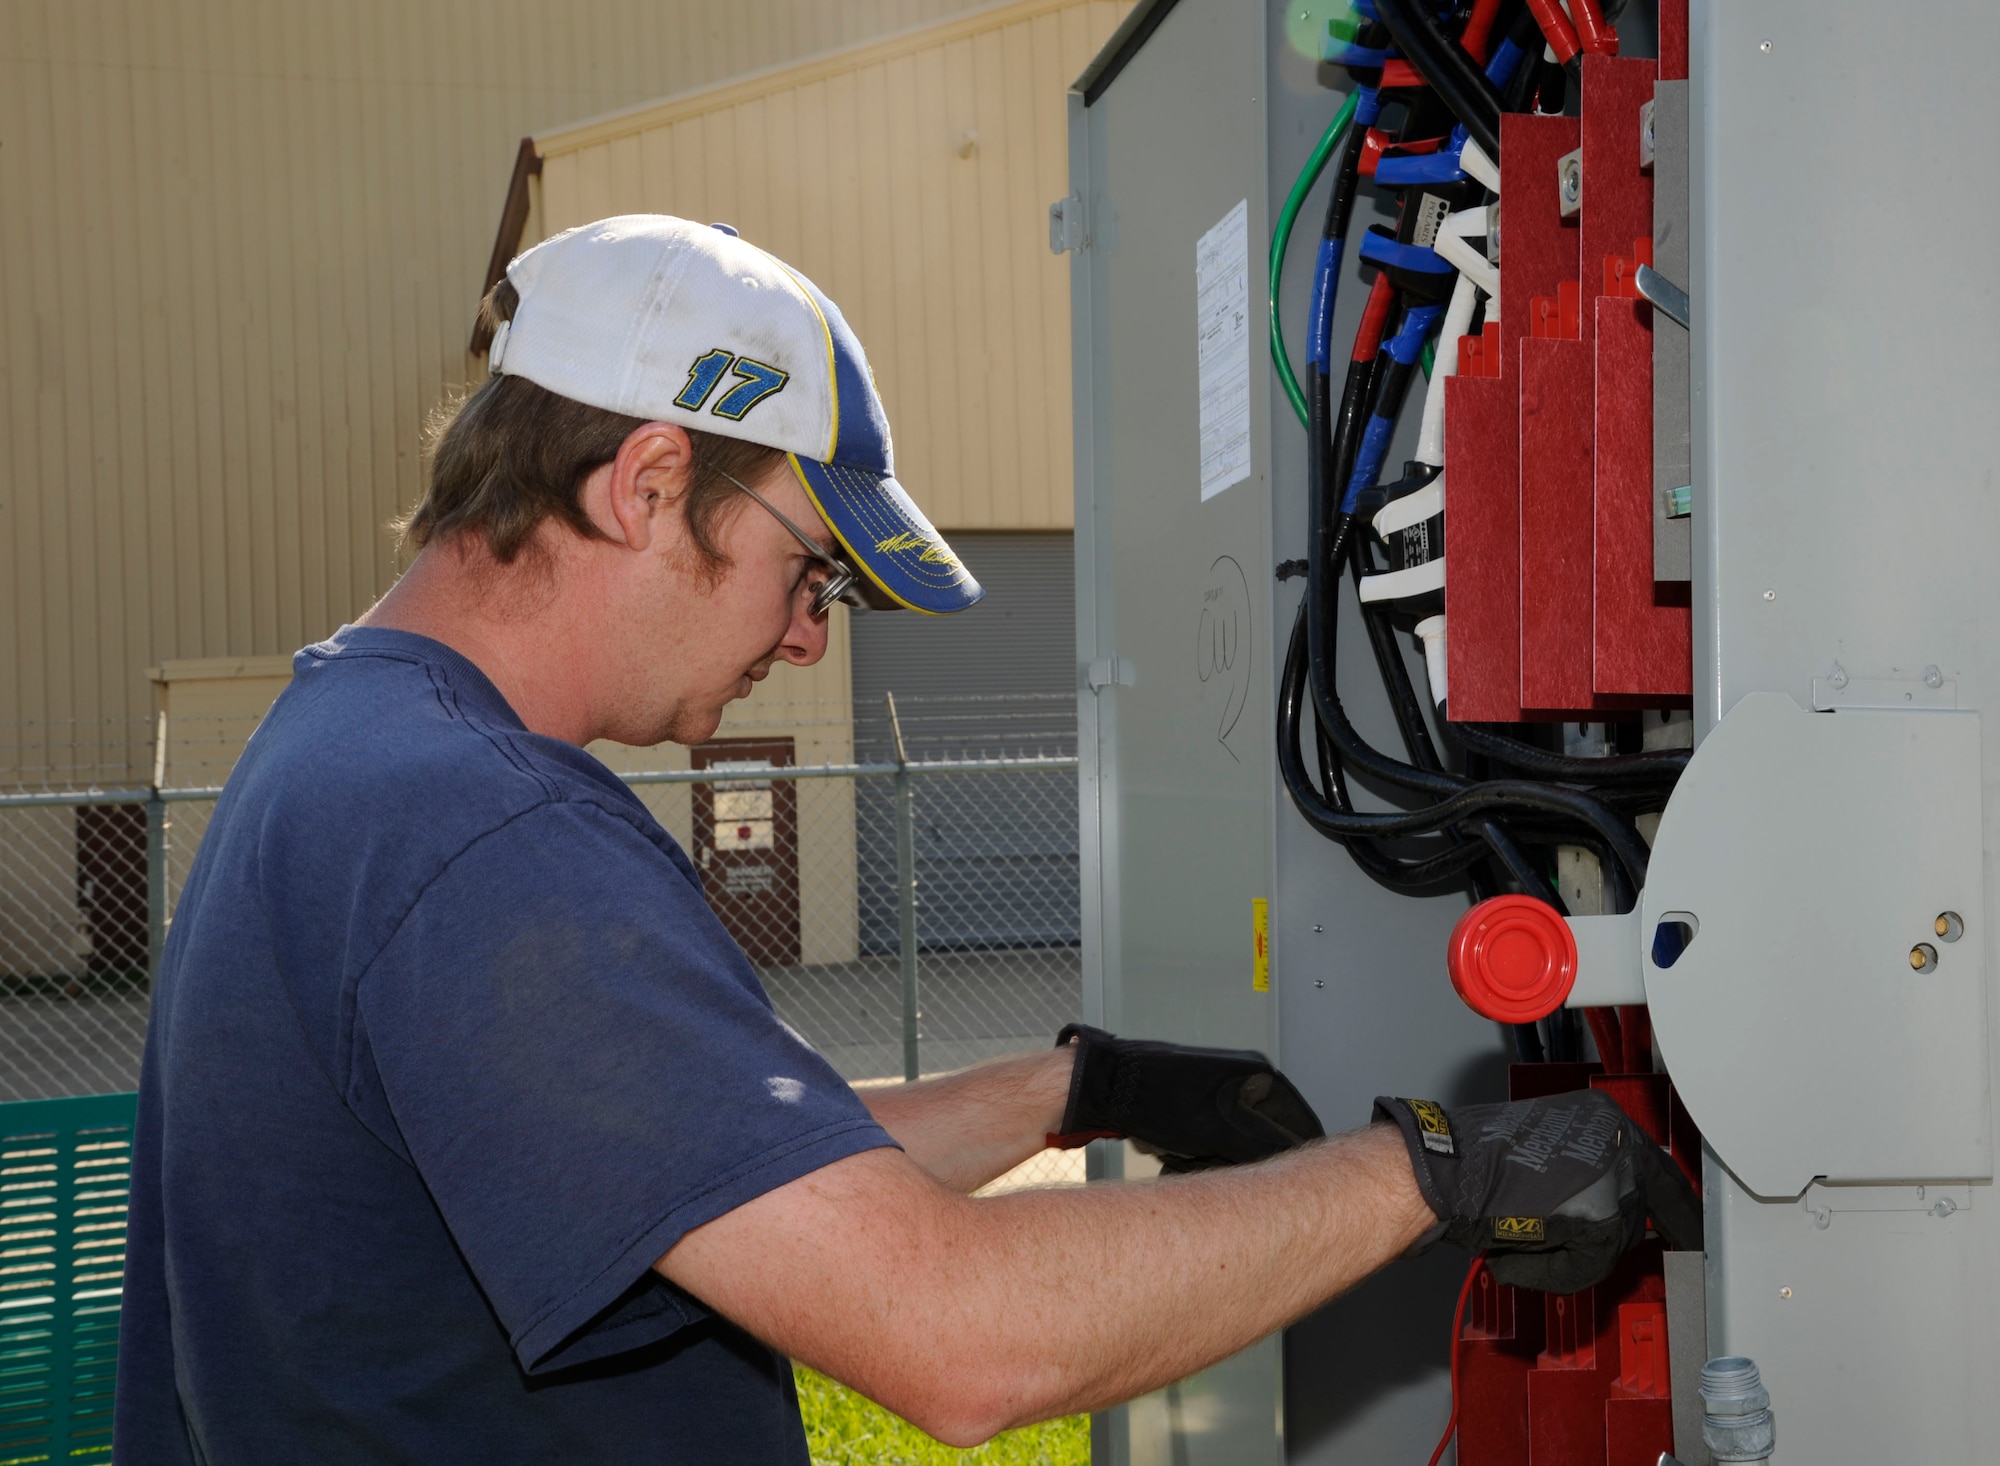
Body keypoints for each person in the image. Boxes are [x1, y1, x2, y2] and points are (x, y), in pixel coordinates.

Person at [114, 216, 1698, 1464]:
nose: (808, 641)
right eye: (812, 572)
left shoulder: (341, 751)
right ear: (650, 483)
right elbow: (958, 1338)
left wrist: (1073, 1089)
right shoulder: (487, 831)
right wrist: (1435, 1170)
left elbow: (696, 1166)